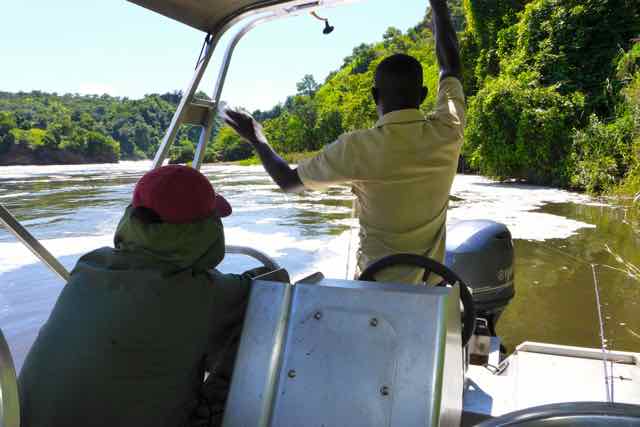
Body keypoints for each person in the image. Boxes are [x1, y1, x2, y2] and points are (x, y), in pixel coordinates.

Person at [224, 0, 464, 284]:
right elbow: (450, 67)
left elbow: (288, 181)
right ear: (423, 95)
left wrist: (257, 138)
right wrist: (438, 5)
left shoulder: (356, 147)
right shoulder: (448, 131)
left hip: (374, 289)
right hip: (431, 290)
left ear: (375, 96)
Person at [19, 165, 269, 427]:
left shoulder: (89, 265)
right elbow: (268, 285)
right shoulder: (201, 292)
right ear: (204, 230)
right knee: (257, 319)